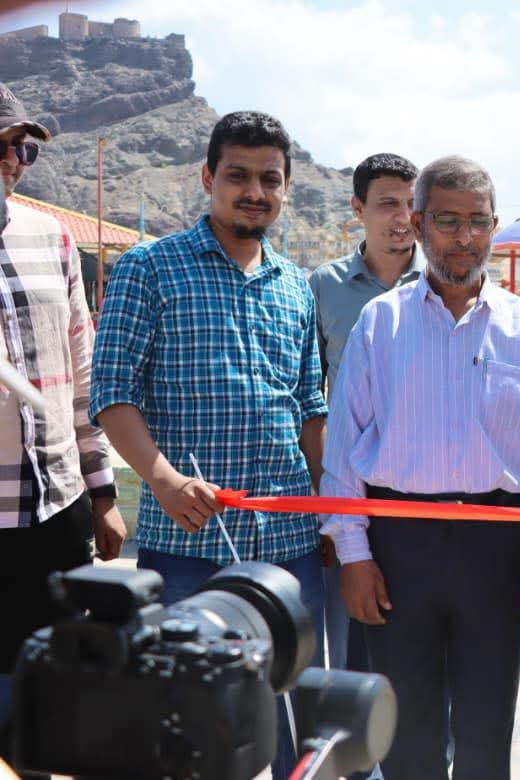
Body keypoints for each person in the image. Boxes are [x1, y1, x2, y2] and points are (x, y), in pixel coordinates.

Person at [90, 111, 328, 780]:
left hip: (290, 547)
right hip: (188, 546)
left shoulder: (295, 287)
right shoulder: (149, 268)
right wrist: (164, 481)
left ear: (286, 187)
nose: (254, 192)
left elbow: (309, 408)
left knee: (292, 725)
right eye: (238, 176)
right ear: (207, 178)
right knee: (190, 730)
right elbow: (111, 394)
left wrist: (333, 509)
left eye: (270, 179)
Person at [321, 155, 520, 780]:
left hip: (498, 548)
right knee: (407, 735)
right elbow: (344, 449)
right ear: (419, 223)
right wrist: (353, 555)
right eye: (448, 220)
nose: (464, 237)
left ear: (494, 226)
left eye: (478, 221)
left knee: (487, 729)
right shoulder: (381, 322)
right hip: (398, 548)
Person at [0, 82, 124, 751]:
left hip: (57, 509)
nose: (12, 161)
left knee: (56, 702)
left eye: (22, 149)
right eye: (1, 147)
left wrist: (103, 494)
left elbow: (83, 379)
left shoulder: (52, 240)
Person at [310, 152, 423, 675]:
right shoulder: (323, 287)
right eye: (387, 204)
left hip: (425, 494)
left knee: (425, 655)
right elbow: (309, 398)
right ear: (358, 209)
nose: (402, 217)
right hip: (350, 491)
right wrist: (325, 506)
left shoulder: (444, 283)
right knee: (350, 650)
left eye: (411, 203)